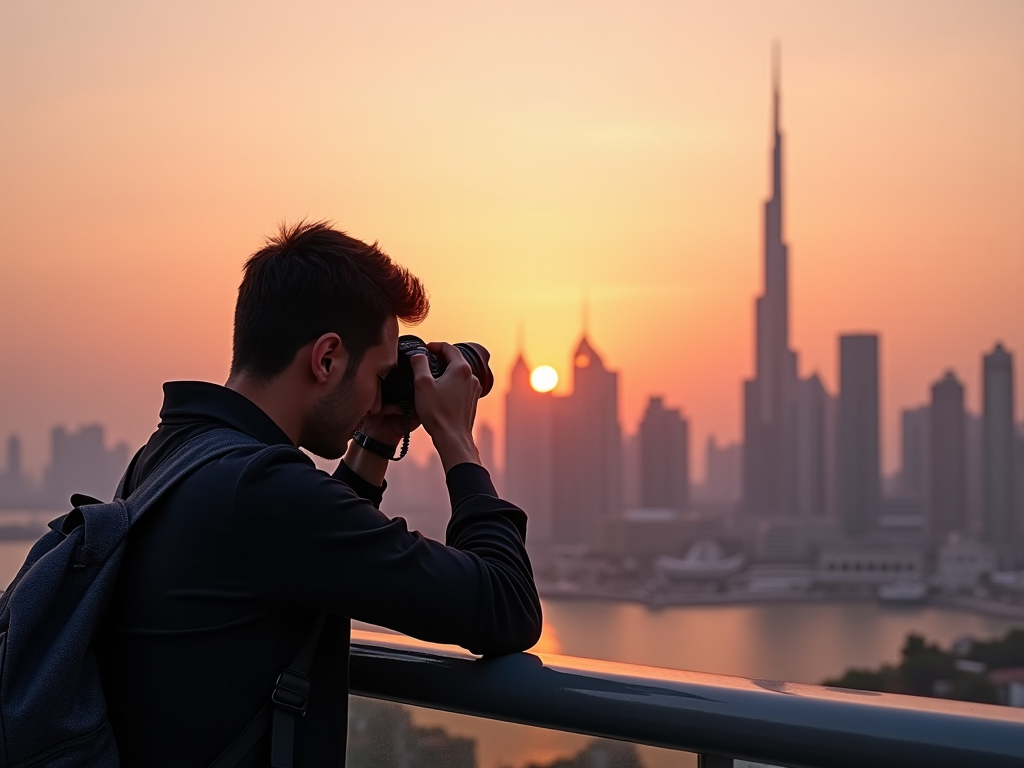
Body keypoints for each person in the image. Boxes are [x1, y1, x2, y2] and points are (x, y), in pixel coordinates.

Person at [96, 221, 542, 767]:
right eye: (380, 375)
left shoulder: (175, 454)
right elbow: (507, 605)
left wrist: (376, 436)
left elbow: (311, 546)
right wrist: (455, 437)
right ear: (326, 358)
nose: (379, 393)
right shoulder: (264, 494)